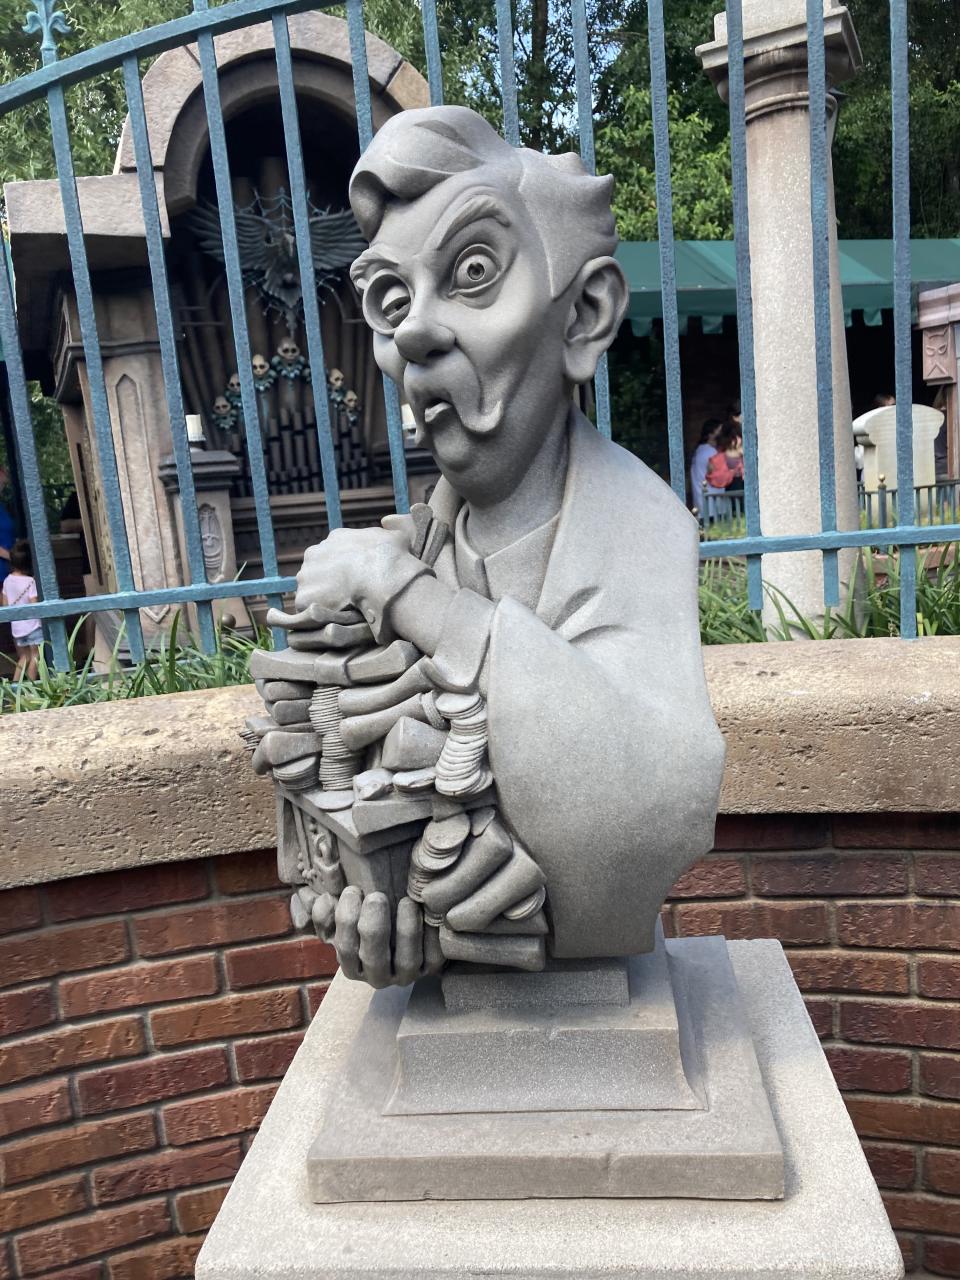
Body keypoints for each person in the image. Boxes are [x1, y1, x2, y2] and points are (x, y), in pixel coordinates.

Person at [266, 106, 724, 985]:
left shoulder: (642, 527)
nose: (413, 334)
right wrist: (384, 891)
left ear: (584, 315)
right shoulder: (409, 544)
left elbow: (654, 792)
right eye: (392, 300)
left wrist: (411, 598)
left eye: (473, 271)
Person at [2, 539, 41, 682]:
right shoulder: (30, 582)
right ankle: (31, 690)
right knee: (36, 656)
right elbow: (34, 605)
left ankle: (15, 687)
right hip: (33, 626)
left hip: (17, 628)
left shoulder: (7, 581)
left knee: (24, 657)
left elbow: (5, 606)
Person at [689, 418, 722, 508]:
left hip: (701, 503)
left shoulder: (699, 450)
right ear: (711, 434)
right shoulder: (711, 453)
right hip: (713, 505)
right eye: (720, 432)